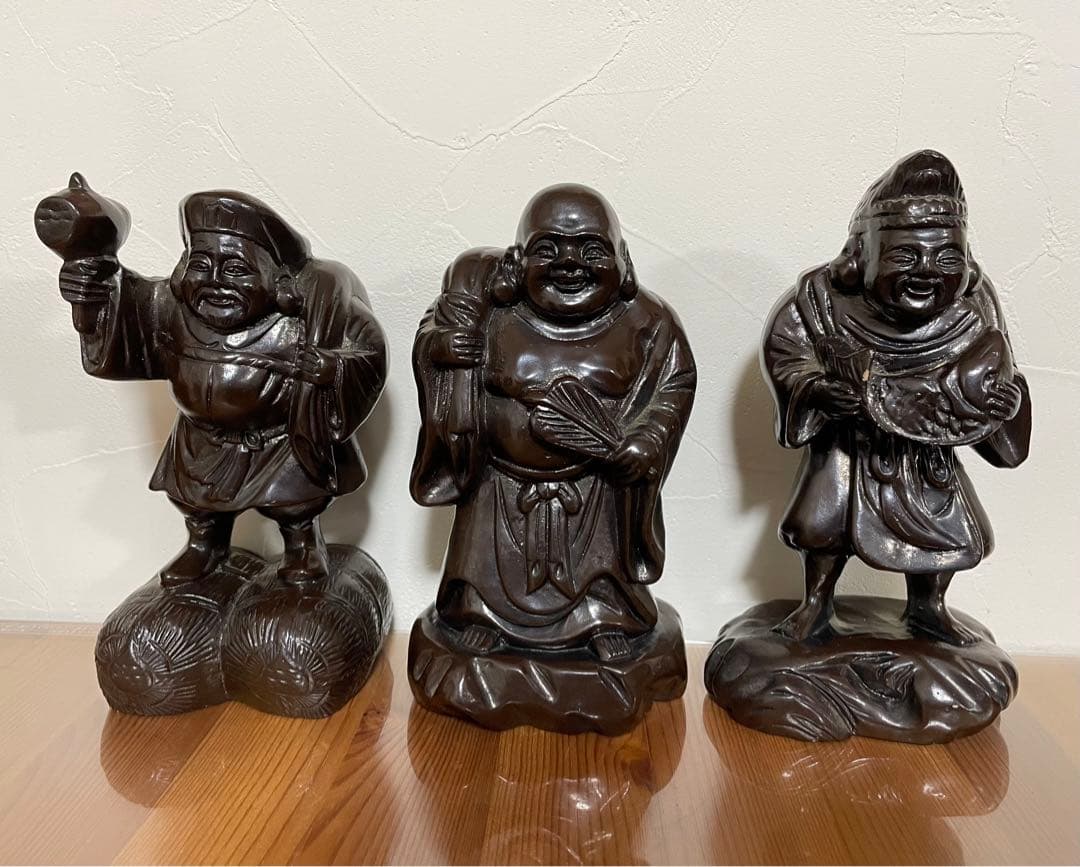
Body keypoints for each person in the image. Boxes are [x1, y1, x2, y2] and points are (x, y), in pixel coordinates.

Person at [411, 183, 696, 661]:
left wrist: (647, 439)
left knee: (601, 575)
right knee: (483, 567)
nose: (569, 264)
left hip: (595, 487)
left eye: (591, 250)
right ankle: (484, 617)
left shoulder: (647, 321)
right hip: (500, 485)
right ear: (516, 262)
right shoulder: (492, 310)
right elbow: (433, 330)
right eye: (547, 249)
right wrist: (442, 349)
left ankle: (603, 619)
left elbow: (675, 384)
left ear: (624, 261)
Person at [762, 150, 1031, 645]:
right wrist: (818, 389)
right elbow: (787, 356)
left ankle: (929, 607)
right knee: (825, 527)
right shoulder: (819, 304)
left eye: (946, 258)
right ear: (860, 256)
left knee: (944, 525)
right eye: (905, 257)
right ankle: (816, 603)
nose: (927, 271)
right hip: (849, 447)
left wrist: (1003, 405)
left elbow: (996, 375)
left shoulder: (973, 313)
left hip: (928, 449)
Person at [55, 185, 386, 585]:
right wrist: (94, 289)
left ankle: (301, 546)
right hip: (202, 440)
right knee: (197, 505)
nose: (215, 282)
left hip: (280, 442)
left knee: (295, 505)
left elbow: (368, 351)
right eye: (201, 264)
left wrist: (332, 368)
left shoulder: (306, 315)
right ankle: (205, 546)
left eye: (235, 269)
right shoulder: (170, 307)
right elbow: (125, 314)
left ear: (276, 279)